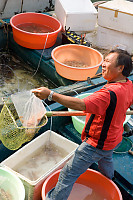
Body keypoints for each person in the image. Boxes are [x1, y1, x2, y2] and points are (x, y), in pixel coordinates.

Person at [32, 48, 133, 200]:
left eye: (107, 62)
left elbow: (80, 105)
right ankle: (109, 179)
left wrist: (51, 95)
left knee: (67, 174)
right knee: (106, 159)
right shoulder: (128, 84)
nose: (103, 65)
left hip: (95, 144)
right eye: (104, 60)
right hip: (113, 139)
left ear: (120, 68)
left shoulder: (108, 94)